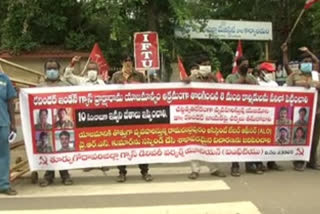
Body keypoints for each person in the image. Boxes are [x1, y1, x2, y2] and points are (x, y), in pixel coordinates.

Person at [111, 55, 152, 182]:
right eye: (125, 61)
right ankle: (122, 172)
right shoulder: (116, 76)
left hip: (137, 113)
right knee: (122, 144)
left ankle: (144, 171)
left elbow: (146, 92)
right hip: (121, 114)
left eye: (130, 61)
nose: (128, 63)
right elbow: (110, 93)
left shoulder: (139, 76)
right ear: (121, 62)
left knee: (140, 143)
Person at [185, 58, 226, 179]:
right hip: (195, 115)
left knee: (211, 143)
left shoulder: (212, 79)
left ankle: (214, 169)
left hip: (210, 116)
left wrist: (212, 77)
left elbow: (221, 90)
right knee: (195, 142)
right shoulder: (194, 78)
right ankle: (195, 170)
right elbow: (182, 83)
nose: (207, 67)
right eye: (204, 65)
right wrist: (193, 75)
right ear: (199, 66)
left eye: (208, 65)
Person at [285, 42, 320, 171]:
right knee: (300, 136)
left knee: (315, 138)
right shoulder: (294, 76)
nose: (308, 63)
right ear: (300, 64)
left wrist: (313, 85)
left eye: (310, 61)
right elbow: (286, 92)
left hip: (316, 112)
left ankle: (312, 161)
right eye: (305, 61)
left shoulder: (316, 76)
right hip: (299, 113)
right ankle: (299, 161)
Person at [38, 59, 73, 187]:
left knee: (62, 150)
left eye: (54, 68)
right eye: (49, 68)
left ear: (58, 71)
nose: (51, 71)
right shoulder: (39, 87)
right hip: (47, 127)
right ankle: (48, 175)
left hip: (61, 126)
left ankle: (65, 174)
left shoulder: (66, 86)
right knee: (49, 150)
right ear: (45, 71)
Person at [226, 56, 263, 176]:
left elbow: (260, 92)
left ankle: (250, 164)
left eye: (247, 65)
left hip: (250, 114)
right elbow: (225, 91)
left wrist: (249, 81)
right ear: (238, 66)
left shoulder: (252, 78)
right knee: (235, 140)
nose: (246, 67)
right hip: (235, 114)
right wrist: (241, 80)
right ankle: (235, 165)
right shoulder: (230, 78)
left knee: (250, 139)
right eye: (244, 65)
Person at [0, 71, 17, 196]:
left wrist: (13, 123)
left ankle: (4, 185)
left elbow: (11, 102)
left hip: (3, 123)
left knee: (4, 156)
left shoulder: (5, 79)